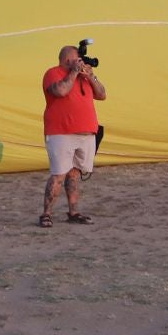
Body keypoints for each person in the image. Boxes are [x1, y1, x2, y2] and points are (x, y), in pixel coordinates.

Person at [40, 44, 106, 226]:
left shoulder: (84, 77)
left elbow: (102, 94)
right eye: (78, 59)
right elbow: (60, 91)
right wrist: (74, 72)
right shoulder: (53, 73)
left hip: (85, 133)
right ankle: (46, 214)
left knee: (75, 173)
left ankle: (74, 212)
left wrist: (90, 76)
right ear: (68, 60)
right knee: (58, 174)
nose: (81, 62)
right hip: (61, 133)